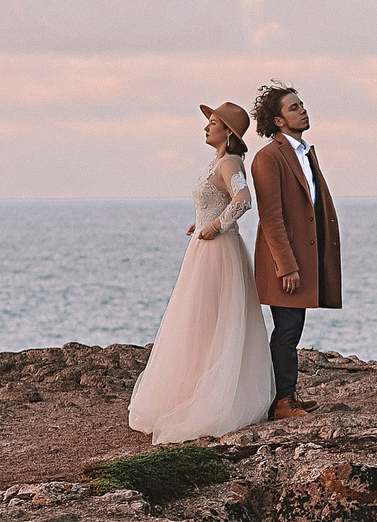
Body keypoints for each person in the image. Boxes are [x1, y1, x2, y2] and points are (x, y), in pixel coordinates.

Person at [126, 103, 276, 442]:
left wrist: (216, 226)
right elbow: (219, 200)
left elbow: (242, 199)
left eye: (212, 124)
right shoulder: (216, 162)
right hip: (204, 247)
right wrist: (203, 220)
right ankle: (193, 391)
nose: (205, 129)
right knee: (199, 318)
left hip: (218, 250)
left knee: (213, 317)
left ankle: (219, 396)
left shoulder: (230, 162)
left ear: (228, 131)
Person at [249, 81, 341, 421]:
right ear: (277, 121)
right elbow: (271, 217)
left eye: (301, 105)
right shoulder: (267, 158)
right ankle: (282, 402)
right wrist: (286, 266)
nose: (302, 110)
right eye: (293, 107)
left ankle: (288, 395)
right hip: (283, 262)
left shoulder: (303, 152)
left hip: (304, 257)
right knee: (287, 331)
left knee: (294, 328)